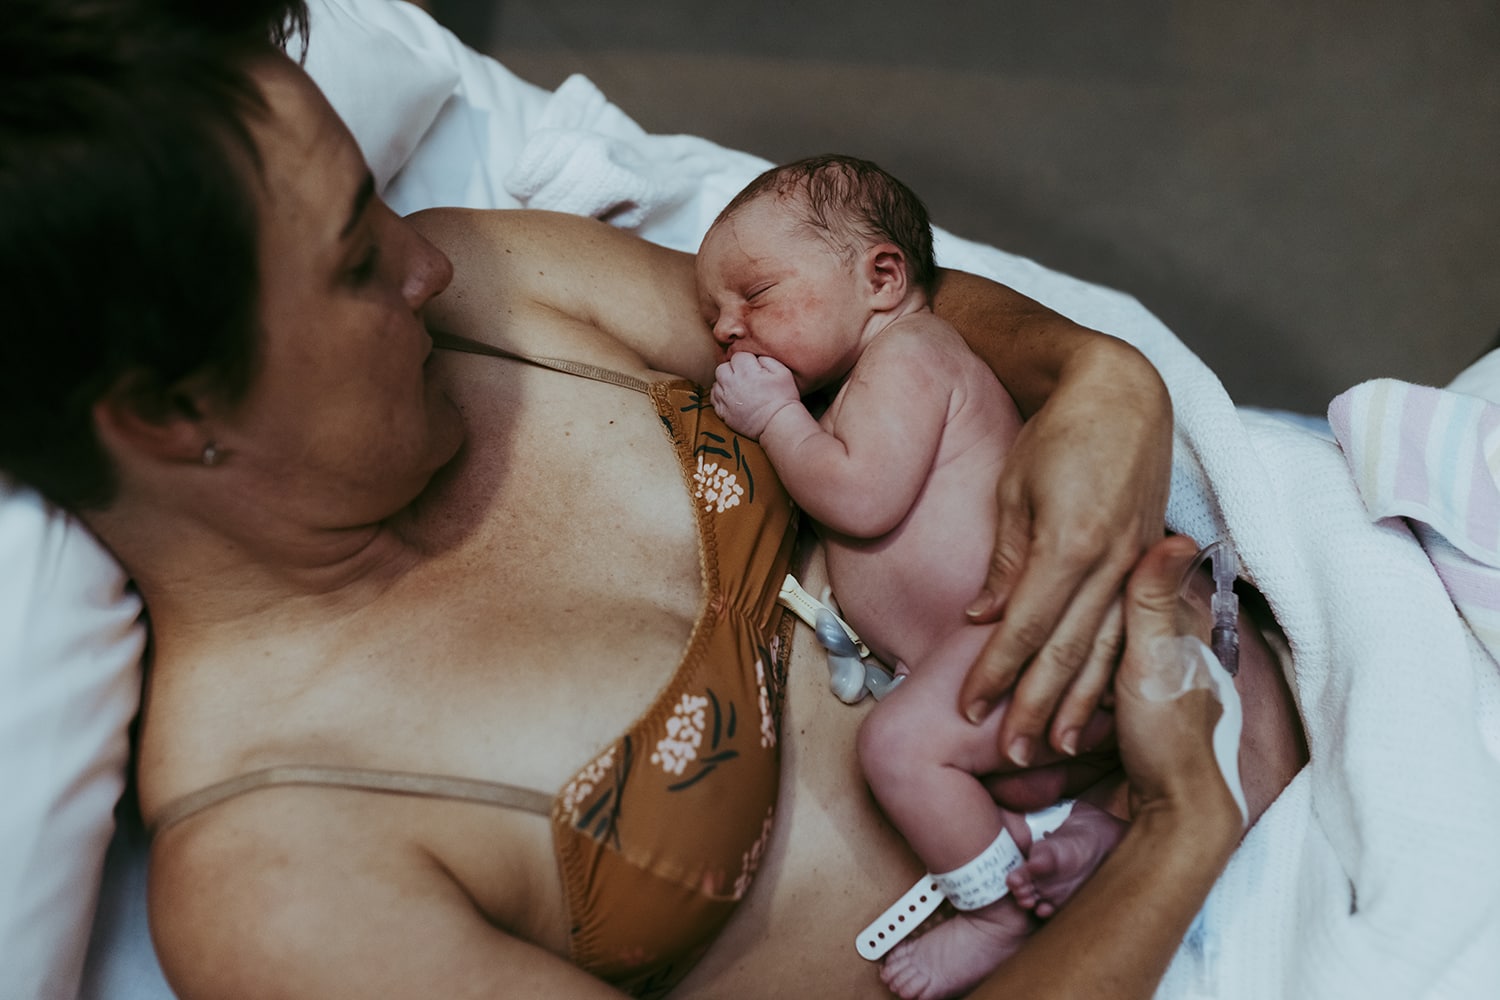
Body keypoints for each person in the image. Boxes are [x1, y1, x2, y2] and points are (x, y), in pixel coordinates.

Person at [0, 2, 1307, 998]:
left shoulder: (500, 294)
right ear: (172, 413)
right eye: (353, 260)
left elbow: (874, 310)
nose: (418, 256)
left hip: (1303, 662)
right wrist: (1184, 824)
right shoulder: (284, 875)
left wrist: (1102, 385)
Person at [698, 156, 1259, 999]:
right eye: (713, 313)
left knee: (897, 748)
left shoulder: (913, 355)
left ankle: (995, 909)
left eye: (756, 295)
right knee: (999, 765)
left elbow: (861, 497)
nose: (725, 327)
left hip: (1012, 630)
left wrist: (775, 418)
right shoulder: (866, 372)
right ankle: (1085, 844)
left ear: (883, 277)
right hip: (987, 658)